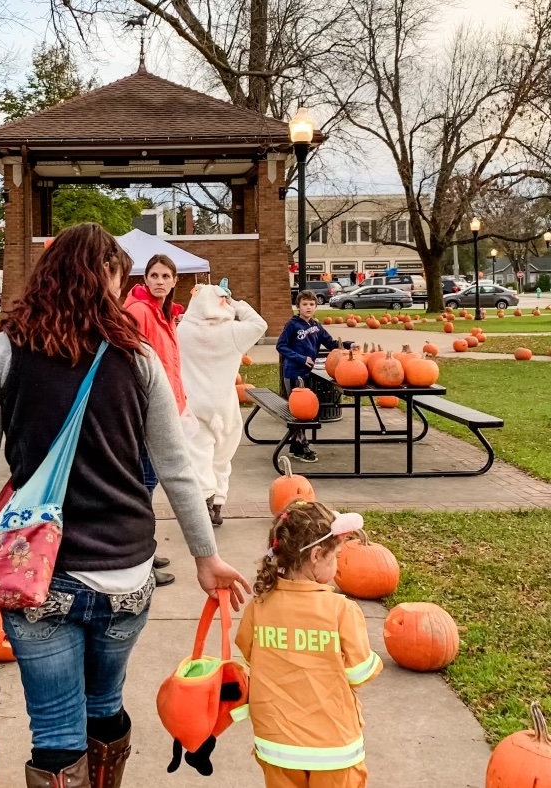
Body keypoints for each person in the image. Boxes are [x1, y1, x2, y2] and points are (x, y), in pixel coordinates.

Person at [0, 223, 251, 788]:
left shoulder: (5, 351)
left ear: (47, 274)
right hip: (128, 574)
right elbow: (177, 468)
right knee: (104, 703)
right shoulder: (139, 355)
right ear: (105, 277)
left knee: (55, 732)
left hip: (38, 577)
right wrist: (206, 555)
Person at [235, 500, 382, 788]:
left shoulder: (260, 605)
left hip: (276, 746)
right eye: (336, 556)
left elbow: (251, 657)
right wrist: (374, 661)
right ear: (316, 555)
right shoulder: (341, 609)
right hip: (332, 746)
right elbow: (359, 673)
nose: (338, 564)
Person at [177, 283, 267, 526]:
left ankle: (204, 503)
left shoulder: (183, 331)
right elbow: (260, 324)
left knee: (199, 456)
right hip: (224, 405)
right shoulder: (234, 331)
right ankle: (218, 503)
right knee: (222, 457)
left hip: (194, 404)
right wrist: (236, 304)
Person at [123, 253, 187, 587]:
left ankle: (146, 551)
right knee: (143, 487)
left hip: (164, 411)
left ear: (175, 281)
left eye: (166, 276)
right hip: (146, 415)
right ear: (144, 279)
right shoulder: (138, 312)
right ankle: (140, 562)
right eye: (154, 275)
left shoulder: (164, 314)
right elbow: (130, 365)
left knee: (148, 484)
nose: (160, 281)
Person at [276, 290, 355, 463]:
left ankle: (296, 445)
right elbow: (281, 346)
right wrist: (300, 358)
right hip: (293, 373)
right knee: (298, 411)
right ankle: (301, 446)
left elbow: (331, 343)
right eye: (304, 304)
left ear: (316, 306)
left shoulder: (317, 326)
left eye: (311, 304)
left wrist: (348, 345)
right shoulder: (292, 325)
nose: (308, 307)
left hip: (307, 374)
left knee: (304, 410)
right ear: (298, 306)